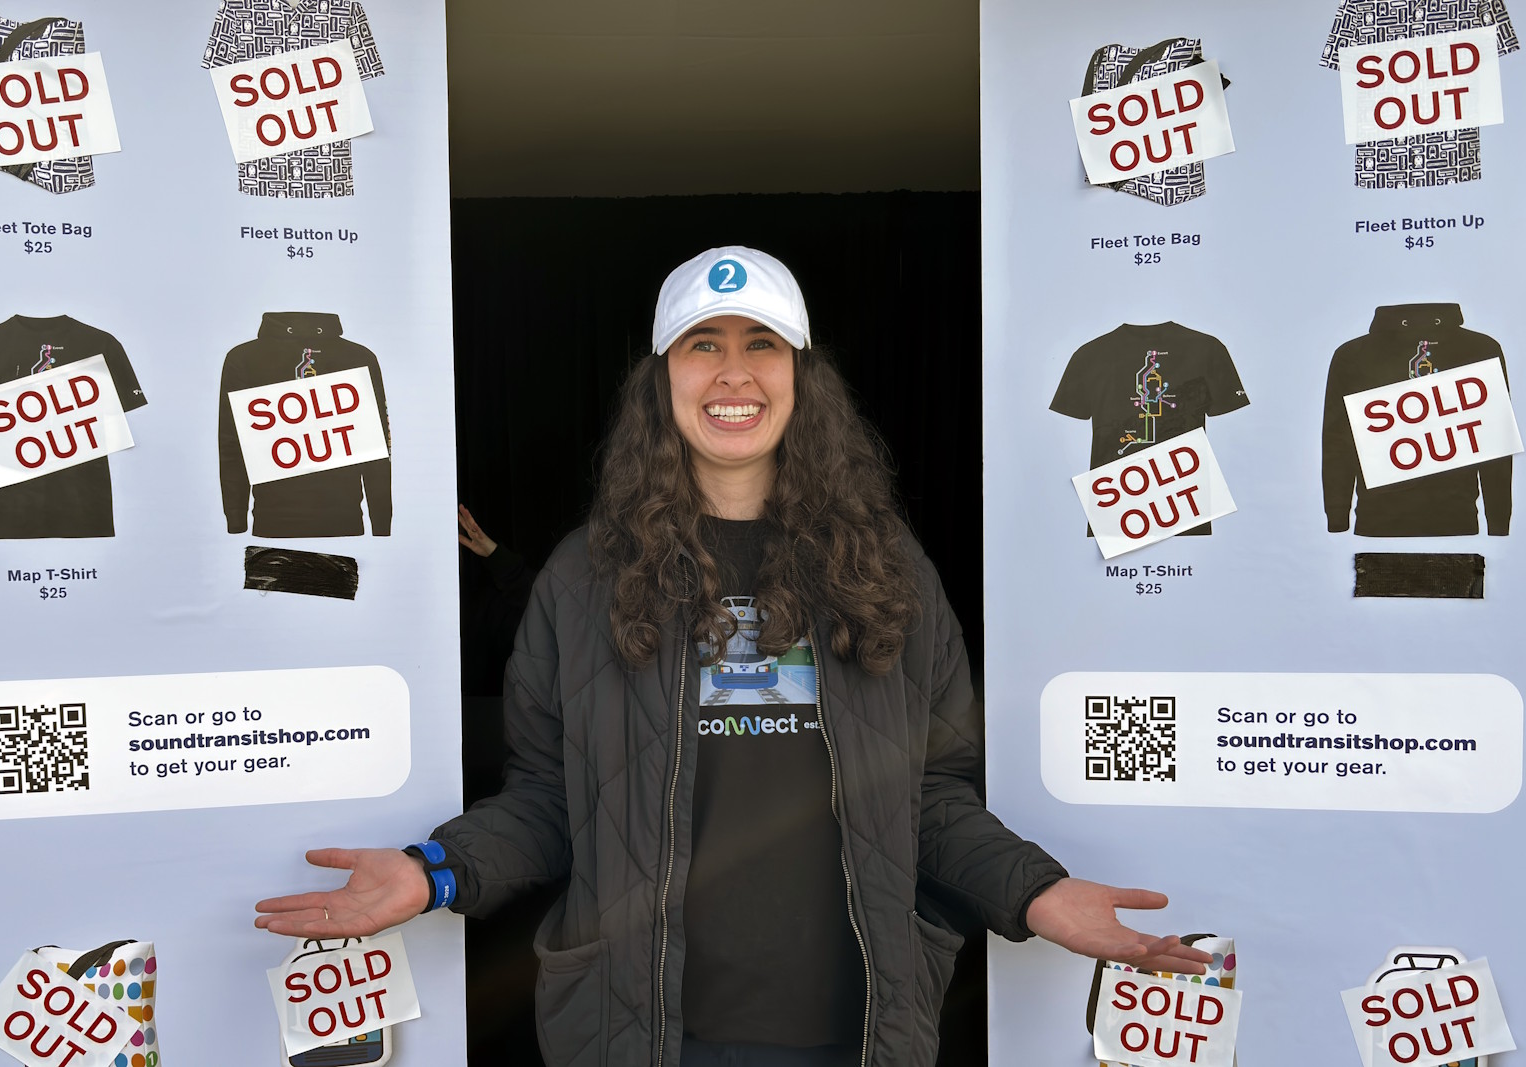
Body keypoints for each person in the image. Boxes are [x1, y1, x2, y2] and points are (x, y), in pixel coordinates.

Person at [255, 246, 1210, 1067]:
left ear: (801, 372)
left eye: (761, 345)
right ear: (662, 374)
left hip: (857, 1026)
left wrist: (1035, 891)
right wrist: (435, 871)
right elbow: (551, 797)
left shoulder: (887, 568)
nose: (732, 374)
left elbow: (931, 798)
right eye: (702, 345)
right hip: (641, 1027)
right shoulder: (584, 578)